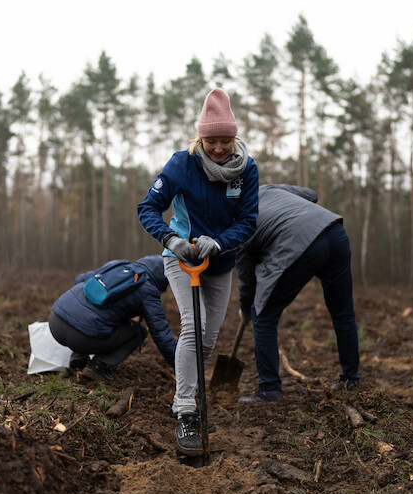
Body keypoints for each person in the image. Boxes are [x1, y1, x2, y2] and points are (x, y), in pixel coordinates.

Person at [138, 87, 259, 454]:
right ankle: (186, 409)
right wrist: (170, 240)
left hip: (219, 261)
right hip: (181, 256)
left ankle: (187, 393)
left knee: (208, 338)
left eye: (225, 140)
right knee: (195, 326)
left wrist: (220, 242)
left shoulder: (246, 169)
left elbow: (249, 220)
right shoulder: (181, 164)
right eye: (211, 141)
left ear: (234, 137)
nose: (219, 148)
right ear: (200, 137)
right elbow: (148, 208)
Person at [236, 184, 360, 404]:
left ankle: (269, 389)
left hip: (299, 242)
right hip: (334, 231)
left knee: (262, 314)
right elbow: (312, 194)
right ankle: (351, 380)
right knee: (343, 312)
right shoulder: (268, 188)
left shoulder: (238, 221)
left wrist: (246, 309)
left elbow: (246, 277)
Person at [49, 255, 177, 381]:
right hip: (82, 337)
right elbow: (162, 336)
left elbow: (80, 279)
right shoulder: (149, 291)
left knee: (101, 316)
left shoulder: (117, 265)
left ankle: (78, 360)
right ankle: (97, 367)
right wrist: (183, 366)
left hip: (55, 321)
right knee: (138, 331)